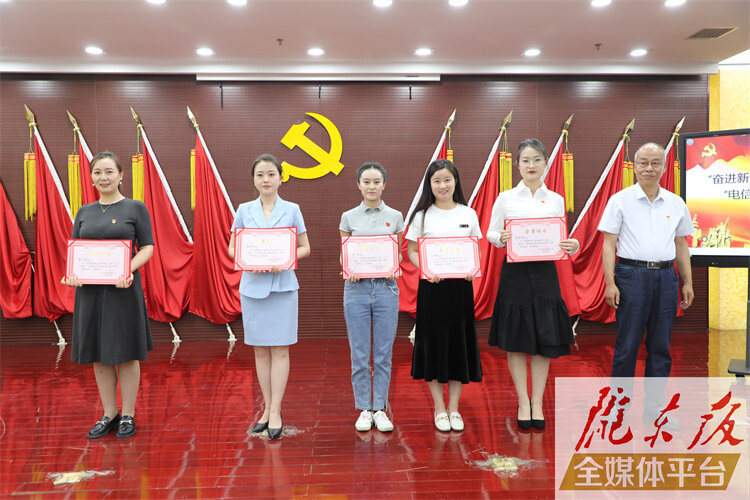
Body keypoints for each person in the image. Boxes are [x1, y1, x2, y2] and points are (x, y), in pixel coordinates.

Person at [486, 138, 579, 431]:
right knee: (516, 339)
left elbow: (560, 236)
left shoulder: (556, 199)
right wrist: (500, 238)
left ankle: (537, 401)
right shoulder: (505, 198)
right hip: (514, 273)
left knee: (544, 339)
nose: (531, 165)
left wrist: (572, 245)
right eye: (525, 160)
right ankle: (522, 401)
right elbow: (490, 232)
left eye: (537, 160)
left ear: (546, 164)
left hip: (545, 274)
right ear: (517, 165)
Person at [62, 151, 154, 439]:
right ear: (91, 177)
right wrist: (71, 275)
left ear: (121, 175)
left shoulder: (135, 208)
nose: (103, 177)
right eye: (98, 172)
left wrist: (127, 269)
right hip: (90, 294)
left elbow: (148, 248)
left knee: (126, 354)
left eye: (109, 171)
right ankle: (109, 414)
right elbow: (76, 252)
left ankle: (128, 414)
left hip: (123, 290)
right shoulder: (84, 211)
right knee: (99, 356)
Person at [228, 153, 310, 440]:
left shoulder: (292, 209)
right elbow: (232, 248)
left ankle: (276, 410)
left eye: (271, 174)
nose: (266, 179)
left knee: (281, 349)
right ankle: (266, 408)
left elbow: (305, 247)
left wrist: (284, 259)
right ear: (253, 180)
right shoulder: (243, 210)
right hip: (253, 288)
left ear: (281, 178)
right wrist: (248, 260)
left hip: (283, 287)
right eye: (260, 175)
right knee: (260, 350)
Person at [599, 142, 694, 378]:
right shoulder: (619, 200)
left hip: (666, 277)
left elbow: (681, 245)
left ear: (664, 167)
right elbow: (608, 244)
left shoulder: (676, 203)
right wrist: (610, 283)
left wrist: (688, 283)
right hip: (631, 277)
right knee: (627, 344)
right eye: (643, 163)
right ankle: (620, 401)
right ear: (634, 166)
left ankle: (655, 400)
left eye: (655, 163)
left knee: (661, 345)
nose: (648, 168)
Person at [405, 159, 483, 432]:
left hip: (460, 290)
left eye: (447, 180)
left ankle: (454, 409)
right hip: (432, 289)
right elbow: (411, 251)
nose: (442, 185)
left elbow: (475, 249)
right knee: (434, 347)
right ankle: (439, 408)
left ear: (455, 182)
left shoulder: (468, 213)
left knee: (458, 345)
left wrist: (473, 268)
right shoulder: (421, 216)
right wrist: (426, 269)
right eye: (436, 180)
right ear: (429, 184)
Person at [340, 162, 404, 433]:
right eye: (366, 181)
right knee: (359, 353)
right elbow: (344, 254)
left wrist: (395, 267)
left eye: (376, 181)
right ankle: (364, 409)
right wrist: (349, 269)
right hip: (356, 290)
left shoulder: (395, 216)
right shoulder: (348, 217)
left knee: (383, 354)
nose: (371, 186)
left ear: (384, 184)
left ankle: (380, 408)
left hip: (386, 289)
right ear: (358, 184)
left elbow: (397, 254)